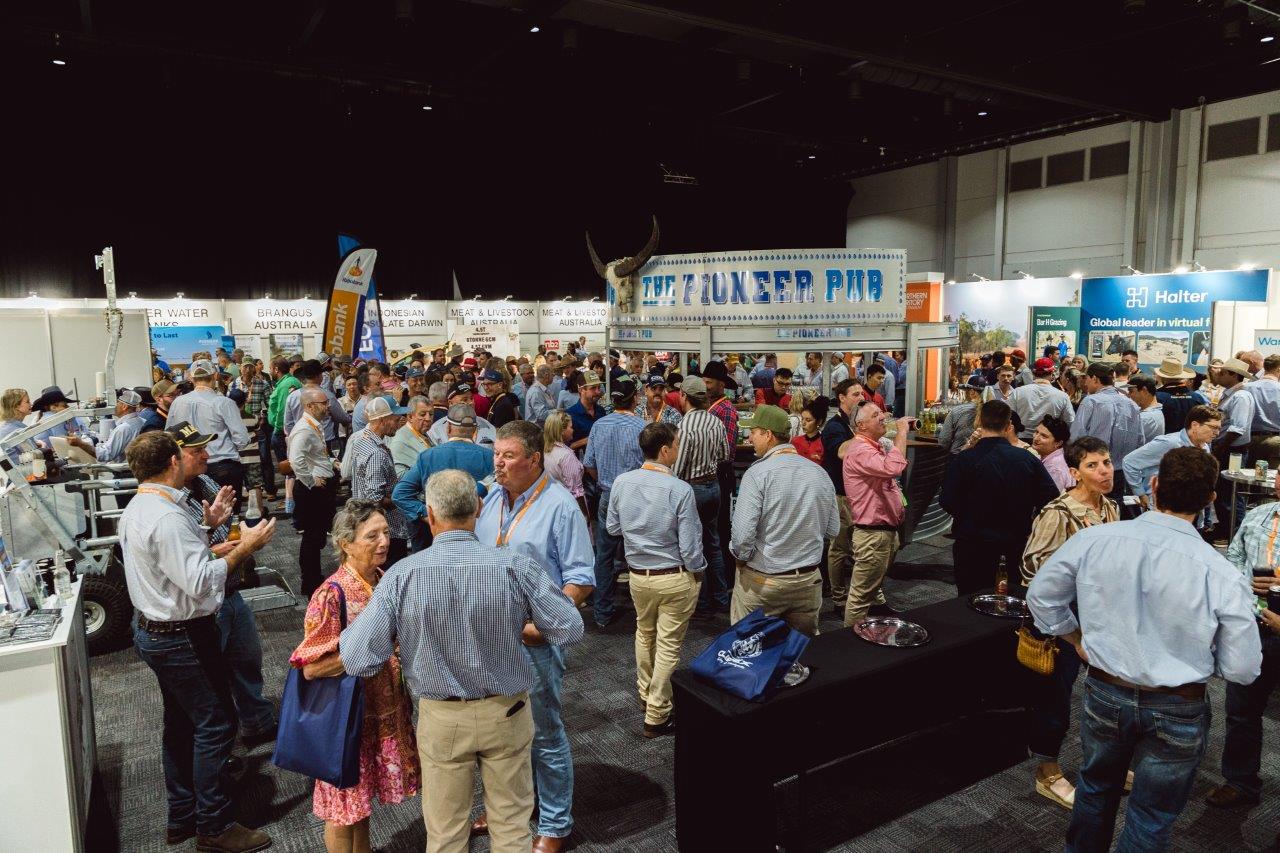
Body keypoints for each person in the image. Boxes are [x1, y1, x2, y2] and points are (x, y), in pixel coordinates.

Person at [1026, 447, 1262, 852]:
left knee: (1095, 790)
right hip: (1179, 704)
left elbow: (1041, 596)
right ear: (1210, 499)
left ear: (1153, 486)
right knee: (1151, 816)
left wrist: (1075, 639)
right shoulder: (1221, 572)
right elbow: (1242, 668)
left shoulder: (1095, 540)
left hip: (1104, 690)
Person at [333, 472, 584, 853]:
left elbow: (355, 657)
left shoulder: (401, 577)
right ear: (479, 509)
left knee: (447, 834)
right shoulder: (515, 567)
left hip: (442, 719)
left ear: (430, 516)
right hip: (509, 712)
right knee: (513, 829)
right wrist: (517, 623)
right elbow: (569, 628)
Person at [119, 431, 277, 852]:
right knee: (216, 726)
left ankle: (183, 815)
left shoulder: (141, 506)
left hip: (157, 631)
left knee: (181, 724)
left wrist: (209, 536)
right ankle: (215, 825)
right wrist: (245, 547)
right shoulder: (167, 516)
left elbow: (176, 564)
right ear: (173, 460)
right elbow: (200, 582)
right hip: (181, 636)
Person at [473, 421, 594, 851]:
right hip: (488, 637)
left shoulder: (560, 506)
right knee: (496, 734)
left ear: (534, 459)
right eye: (496, 455)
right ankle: (510, 806)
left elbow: (580, 579)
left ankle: (555, 823)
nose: (498, 464)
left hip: (533, 641)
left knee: (543, 734)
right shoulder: (490, 499)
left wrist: (543, 624)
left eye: (508, 456)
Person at [290, 501, 420, 853]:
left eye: (385, 532)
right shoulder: (331, 594)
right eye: (371, 535)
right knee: (342, 809)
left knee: (360, 806)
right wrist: (364, 652)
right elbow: (310, 666)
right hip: (346, 722)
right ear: (346, 544)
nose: (384, 541)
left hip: (381, 712)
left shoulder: (381, 579)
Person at [1019, 436, 1120, 809]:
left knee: (1102, 696)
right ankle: (1047, 772)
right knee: (1055, 699)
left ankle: (1102, 764)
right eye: (1093, 465)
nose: (1104, 471)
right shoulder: (1058, 513)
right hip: (1062, 622)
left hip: (1100, 617)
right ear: (1075, 473)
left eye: (1106, 462)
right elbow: (1031, 566)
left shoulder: (1110, 507)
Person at [167, 420, 277, 748]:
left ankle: (257, 722)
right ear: (174, 458)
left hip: (228, 590)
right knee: (211, 681)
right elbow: (189, 560)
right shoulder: (169, 502)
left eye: (205, 447)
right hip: (202, 603)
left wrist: (237, 537)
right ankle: (222, 748)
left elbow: (223, 527)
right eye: (196, 450)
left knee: (246, 658)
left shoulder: (205, 482)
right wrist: (226, 545)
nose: (206, 454)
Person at [606, 422, 704, 737]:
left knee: (645, 634)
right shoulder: (680, 489)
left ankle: (646, 695)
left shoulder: (622, 481)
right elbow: (690, 548)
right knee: (667, 644)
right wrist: (698, 569)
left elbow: (612, 528)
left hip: (638, 576)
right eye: (676, 444)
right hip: (673, 576)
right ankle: (657, 713)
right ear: (665, 450)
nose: (678, 449)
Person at [730, 404, 840, 636]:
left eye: (754, 432)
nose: (750, 437)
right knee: (799, 654)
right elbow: (832, 529)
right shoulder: (819, 473)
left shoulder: (757, 473)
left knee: (750, 652)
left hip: (764, 581)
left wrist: (741, 559)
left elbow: (742, 538)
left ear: (768, 435)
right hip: (808, 580)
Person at [941, 401, 1059, 595]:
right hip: (1014, 543)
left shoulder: (965, 459)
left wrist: (968, 516)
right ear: (1008, 425)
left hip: (972, 542)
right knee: (1009, 600)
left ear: (978, 421)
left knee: (969, 601)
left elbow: (947, 499)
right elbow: (1051, 499)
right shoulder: (1026, 458)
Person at [1213, 475, 1280, 810]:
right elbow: (1233, 559)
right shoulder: (1258, 515)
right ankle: (1240, 781)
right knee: (1241, 711)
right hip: (1253, 621)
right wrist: (1244, 592)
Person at [583, 375, 646, 628]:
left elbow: (589, 464)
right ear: (634, 400)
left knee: (605, 554)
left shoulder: (599, 425)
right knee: (639, 553)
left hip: (607, 495)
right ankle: (643, 610)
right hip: (636, 497)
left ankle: (602, 611)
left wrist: (604, 482)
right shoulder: (642, 427)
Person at [841, 401, 910, 625]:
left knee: (869, 591)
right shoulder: (860, 450)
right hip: (873, 536)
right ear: (861, 425)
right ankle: (850, 649)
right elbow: (894, 468)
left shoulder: (874, 446)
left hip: (882, 533)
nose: (883, 416)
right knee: (860, 598)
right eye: (876, 414)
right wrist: (902, 431)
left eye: (881, 412)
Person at [393, 404, 494, 553]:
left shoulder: (428, 456)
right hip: (477, 534)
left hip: (437, 535)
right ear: (474, 431)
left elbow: (400, 494)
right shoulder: (489, 457)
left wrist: (425, 513)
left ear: (448, 429)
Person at [672, 375, 731, 618]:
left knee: (693, 546)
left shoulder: (685, 426)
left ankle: (702, 602)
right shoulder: (715, 422)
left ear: (684, 396)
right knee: (713, 542)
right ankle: (721, 597)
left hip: (692, 488)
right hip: (713, 485)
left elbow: (678, 466)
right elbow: (724, 455)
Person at [167, 359, 251, 506]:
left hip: (188, 467)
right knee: (227, 517)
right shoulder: (224, 402)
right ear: (215, 376)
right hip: (222, 464)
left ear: (192, 379)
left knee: (196, 516)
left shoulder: (177, 403)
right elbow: (242, 439)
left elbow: (169, 435)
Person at [289, 388, 340, 597]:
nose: (328, 407)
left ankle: (313, 577)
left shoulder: (314, 426)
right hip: (312, 492)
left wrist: (330, 463)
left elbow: (314, 455)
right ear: (310, 406)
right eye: (323, 403)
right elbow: (295, 459)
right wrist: (311, 480)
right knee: (311, 538)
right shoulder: (304, 429)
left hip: (320, 488)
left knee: (316, 536)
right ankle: (310, 582)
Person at [349, 396, 412, 566]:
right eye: (395, 417)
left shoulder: (361, 440)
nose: (399, 421)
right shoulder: (376, 453)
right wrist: (400, 500)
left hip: (365, 525)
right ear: (383, 420)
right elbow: (375, 499)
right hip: (385, 530)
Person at [1123, 404, 1221, 511]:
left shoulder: (1205, 446)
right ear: (1195, 425)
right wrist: (1140, 494)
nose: (1217, 433)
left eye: (1219, 428)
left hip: (1191, 507)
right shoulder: (1169, 443)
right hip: (1164, 508)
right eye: (1214, 428)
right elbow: (1129, 462)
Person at [820, 378, 865, 612]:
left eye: (861, 394)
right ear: (842, 398)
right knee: (838, 548)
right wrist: (864, 432)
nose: (860, 398)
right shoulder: (834, 426)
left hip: (858, 495)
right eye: (855, 394)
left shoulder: (852, 424)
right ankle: (838, 599)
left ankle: (863, 595)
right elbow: (841, 452)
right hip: (840, 495)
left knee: (860, 547)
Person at [1069, 362, 1143, 499]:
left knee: (1093, 512)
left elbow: (1076, 437)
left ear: (1095, 379)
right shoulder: (1131, 404)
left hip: (1092, 470)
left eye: (1087, 379)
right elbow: (1140, 440)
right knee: (1114, 512)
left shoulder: (1090, 401)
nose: (1085, 383)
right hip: (1121, 473)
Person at [701, 360, 740, 590]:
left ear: (721, 384)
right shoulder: (713, 406)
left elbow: (727, 450)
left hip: (720, 474)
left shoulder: (724, 410)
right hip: (714, 473)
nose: (706, 386)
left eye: (709, 382)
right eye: (704, 381)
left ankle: (724, 579)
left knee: (720, 529)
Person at [1008, 357, 1074, 442]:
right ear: (1052, 373)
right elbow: (1070, 421)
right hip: (1048, 442)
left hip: (1020, 441)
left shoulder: (1018, 392)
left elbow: (1008, 417)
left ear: (1033, 373)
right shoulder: (1062, 396)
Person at [267, 357, 301, 511]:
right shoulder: (283, 383)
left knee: (290, 468)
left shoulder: (288, 384)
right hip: (283, 432)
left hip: (283, 433)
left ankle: (292, 501)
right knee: (288, 469)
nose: (269, 371)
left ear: (276, 369)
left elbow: (283, 411)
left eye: (270, 368)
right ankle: (291, 500)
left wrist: (278, 429)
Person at [543, 411, 587, 516]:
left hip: (551, 502)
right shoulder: (566, 456)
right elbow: (576, 492)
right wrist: (585, 516)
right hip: (569, 507)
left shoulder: (544, 451)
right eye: (570, 427)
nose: (573, 430)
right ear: (561, 431)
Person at [427, 383, 497, 445]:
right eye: (465, 399)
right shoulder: (437, 429)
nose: (471, 402)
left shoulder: (486, 425)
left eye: (471, 398)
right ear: (450, 403)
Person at [1245, 353, 1280, 469]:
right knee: (1272, 480)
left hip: (1250, 440)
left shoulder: (1248, 387)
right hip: (1275, 441)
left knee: (1249, 479)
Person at [96, 388, 146, 463]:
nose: (114, 406)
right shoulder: (142, 421)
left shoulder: (123, 429)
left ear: (124, 406)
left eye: (117, 402)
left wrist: (81, 444)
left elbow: (105, 455)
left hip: (124, 472)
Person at [937, 376, 985, 455]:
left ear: (972, 392)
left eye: (965, 391)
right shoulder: (991, 411)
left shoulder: (957, 411)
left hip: (959, 456)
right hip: (984, 458)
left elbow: (944, 441)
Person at [389, 395, 433, 476]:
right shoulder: (400, 441)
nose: (428, 418)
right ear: (410, 417)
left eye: (431, 414)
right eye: (423, 414)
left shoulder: (425, 433)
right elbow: (398, 475)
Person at [1154, 358, 1198, 435]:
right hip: (1191, 441)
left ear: (1162, 377)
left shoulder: (1156, 396)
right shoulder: (1197, 397)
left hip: (1165, 441)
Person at [1033, 415, 1075, 492]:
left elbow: (1052, 498)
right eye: (1036, 432)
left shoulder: (1055, 468)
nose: (1036, 438)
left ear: (1058, 443)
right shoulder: (1047, 456)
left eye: (1044, 436)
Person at [1127, 373, 1163, 444]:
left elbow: (1127, 442)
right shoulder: (1155, 412)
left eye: (1131, 391)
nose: (1128, 394)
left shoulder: (1146, 418)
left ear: (1144, 390)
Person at [791, 396, 827, 464]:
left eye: (808, 420)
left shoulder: (824, 443)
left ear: (819, 422)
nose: (803, 423)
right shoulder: (795, 441)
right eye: (802, 419)